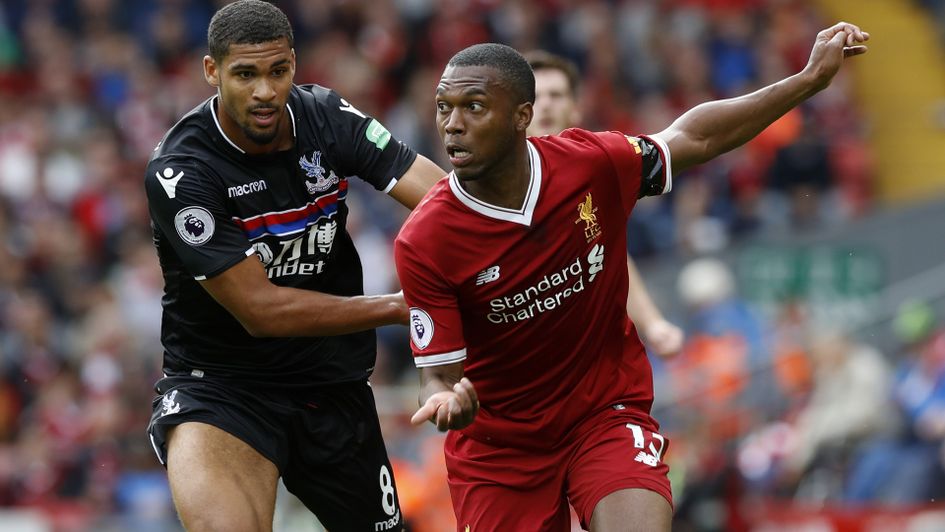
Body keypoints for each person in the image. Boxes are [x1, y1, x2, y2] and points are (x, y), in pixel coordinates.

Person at [394, 22, 868, 531]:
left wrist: (806, 81)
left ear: (521, 117)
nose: (452, 125)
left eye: (474, 107)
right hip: (499, 450)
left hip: (604, 415)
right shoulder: (425, 240)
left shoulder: (589, 164)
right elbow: (436, 377)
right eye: (444, 107)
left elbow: (695, 136)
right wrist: (445, 401)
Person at [142, 1, 443, 531]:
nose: (264, 92)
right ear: (212, 71)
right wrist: (400, 307)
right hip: (221, 389)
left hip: (332, 383)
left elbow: (441, 204)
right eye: (245, 74)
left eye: (277, 71)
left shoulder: (326, 117)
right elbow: (261, 311)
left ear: (294, 65)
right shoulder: (182, 171)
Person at [525, 50, 684, 357]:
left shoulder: (598, 167)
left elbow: (611, 251)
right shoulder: (495, 180)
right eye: (535, 96)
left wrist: (653, 325)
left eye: (556, 95)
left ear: (575, 108)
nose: (545, 104)